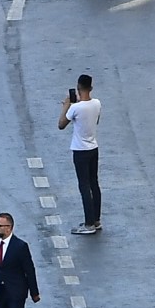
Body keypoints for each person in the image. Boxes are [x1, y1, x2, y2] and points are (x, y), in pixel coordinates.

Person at [58, 75, 102, 234]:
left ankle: (88, 224)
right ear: (91, 88)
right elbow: (96, 121)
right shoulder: (97, 103)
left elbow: (61, 125)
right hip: (93, 148)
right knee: (94, 183)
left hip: (80, 150)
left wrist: (66, 106)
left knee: (84, 186)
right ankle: (96, 219)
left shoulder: (75, 108)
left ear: (78, 88)